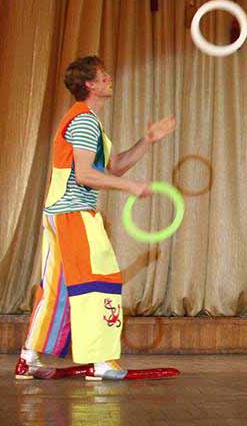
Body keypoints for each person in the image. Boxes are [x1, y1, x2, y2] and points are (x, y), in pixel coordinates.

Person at [15, 55, 176, 380]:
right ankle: (101, 360)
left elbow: (113, 167)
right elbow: (86, 175)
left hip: (61, 212)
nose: (109, 79)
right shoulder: (84, 122)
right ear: (89, 84)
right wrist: (131, 187)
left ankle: (28, 358)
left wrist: (147, 141)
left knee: (58, 286)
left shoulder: (88, 121)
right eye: (103, 76)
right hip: (73, 213)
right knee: (98, 281)